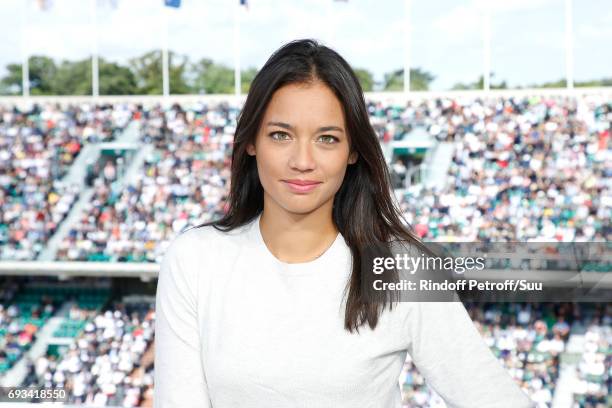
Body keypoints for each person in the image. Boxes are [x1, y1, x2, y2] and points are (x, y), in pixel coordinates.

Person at [153, 39, 534, 408]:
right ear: (251, 141)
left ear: (353, 151)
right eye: (281, 135)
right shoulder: (195, 259)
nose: (302, 160)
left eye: (327, 138)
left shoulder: (401, 269)